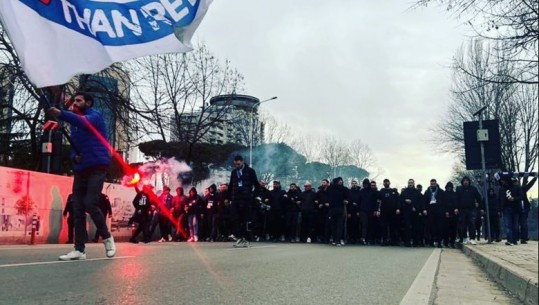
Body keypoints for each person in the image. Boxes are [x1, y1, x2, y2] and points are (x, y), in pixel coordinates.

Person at [49, 92, 116, 260]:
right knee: (77, 208)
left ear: (88, 102)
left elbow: (81, 121)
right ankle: (79, 249)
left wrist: (61, 113)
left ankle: (107, 238)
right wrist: (74, 157)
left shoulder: (95, 117)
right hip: (81, 169)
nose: (76, 103)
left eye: (79, 100)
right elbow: (74, 149)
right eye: (74, 100)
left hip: (96, 167)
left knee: (90, 204)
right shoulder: (75, 127)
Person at [227, 155, 260, 247]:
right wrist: (228, 198)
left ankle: (246, 239)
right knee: (235, 219)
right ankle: (239, 238)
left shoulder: (250, 171)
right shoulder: (234, 172)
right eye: (235, 164)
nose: (237, 166)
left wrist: (255, 196)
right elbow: (231, 185)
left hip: (246, 199)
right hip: (235, 198)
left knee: (245, 219)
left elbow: (256, 185)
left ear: (242, 161)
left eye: (238, 164)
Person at [455, 176, 482, 245]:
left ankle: (472, 238)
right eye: (464, 180)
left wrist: (481, 207)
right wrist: (456, 208)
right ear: (462, 182)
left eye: (467, 180)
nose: (465, 182)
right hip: (462, 209)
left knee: (472, 224)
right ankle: (464, 238)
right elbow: (456, 199)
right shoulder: (459, 189)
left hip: (471, 209)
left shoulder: (473, 189)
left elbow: (479, 198)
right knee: (463, 224)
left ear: (469, 181)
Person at [499, 176, 523, 245]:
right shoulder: (502, 189)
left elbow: (521, 196)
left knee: (515, 225)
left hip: (515, 208)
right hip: (506, 208)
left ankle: (515, 239)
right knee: (508, 224)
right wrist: (500, 209)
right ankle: (510, 239)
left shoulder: (516, 187)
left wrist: (514, 198)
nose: (502, 182)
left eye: (503, 181)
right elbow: (500, 199)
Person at [519, 176, 537, 244]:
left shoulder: (522, 189)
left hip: (524, 208)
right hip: (518, 208)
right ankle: (521, 236)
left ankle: (524, 237)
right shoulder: (514, 189)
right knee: (521, 223)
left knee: (523, 223)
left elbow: (529, 185)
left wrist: (535, 178)